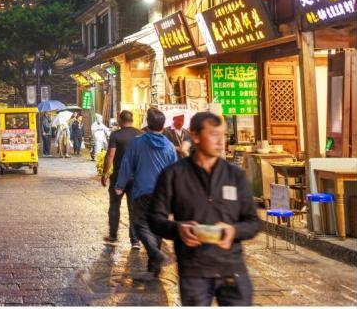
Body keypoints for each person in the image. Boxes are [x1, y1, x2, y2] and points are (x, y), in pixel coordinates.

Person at [149, 111, 261, 306]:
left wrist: (233, 230)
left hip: (232, 269)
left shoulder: (235, 175)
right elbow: (155, 219)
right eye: (213, 135)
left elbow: (253, 222)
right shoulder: (174, 175)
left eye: (223, 135)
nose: (220, 142)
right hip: (194, 271)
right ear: (195, 136)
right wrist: (178, 229)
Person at [114, 108, 178, 277]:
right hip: (163, 194)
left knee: (139, 223)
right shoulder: (170, 147)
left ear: (147, 125)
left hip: (142, 191)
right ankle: (153, 265)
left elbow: (126, 164)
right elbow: (175, 172)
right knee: (158, 227)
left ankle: (154, 253)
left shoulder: (138, 142)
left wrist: (120, 184)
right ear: (163, 127)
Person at [101, 110, 141, 248]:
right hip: (135, 178)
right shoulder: (140, 134)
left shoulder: (116, 135)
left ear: (120, 120)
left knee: (114, 206)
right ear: (132, 120)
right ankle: (135, 240)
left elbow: (110, 155)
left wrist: (105, 173)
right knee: (133, 208)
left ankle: (113, 235)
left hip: (118, 176)